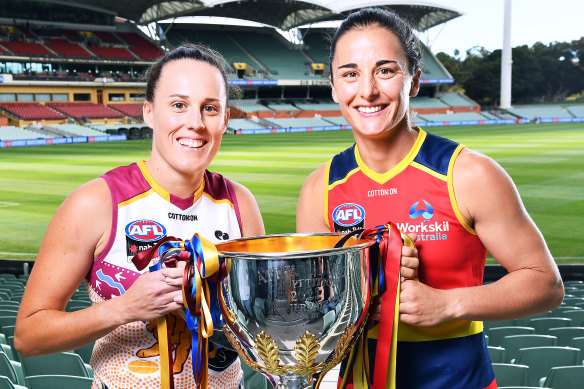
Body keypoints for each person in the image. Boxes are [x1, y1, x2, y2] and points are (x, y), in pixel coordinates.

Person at [297, 8, 564, 389]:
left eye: (385, 71)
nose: (367, 90)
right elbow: (313, 305)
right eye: (350, 73)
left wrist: (448, 304)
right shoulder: (320, 187)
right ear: (334, 86)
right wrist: (367, 273)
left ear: (415, 80)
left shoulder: (469, 174)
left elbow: (546, 285)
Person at [15, 44, 265, 389]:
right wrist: (125, 308)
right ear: (148, 112)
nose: (195, 123)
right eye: (179, 105)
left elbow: (259, 320)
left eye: (210, 108)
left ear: (224, 119)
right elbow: (29, 336)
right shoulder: (96, 202)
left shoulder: (240, 203)